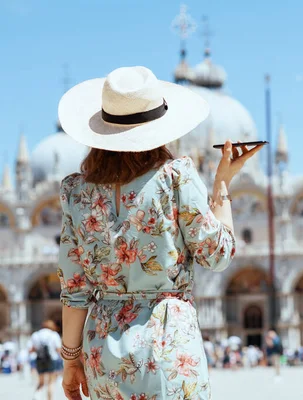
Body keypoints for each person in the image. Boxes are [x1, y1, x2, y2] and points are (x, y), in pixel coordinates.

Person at [57, 66, 262, 400]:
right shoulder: (176, 176)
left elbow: (74, 289)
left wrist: (70, 359)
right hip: (167, 343)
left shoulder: (74, 192)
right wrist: (222, 185)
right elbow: (218, 254)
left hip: (102, 350)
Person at [30, 320, 62, 400]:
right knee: (51, 382)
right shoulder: (54, 335)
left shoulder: (36, 335)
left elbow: (32, 349)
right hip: (51, 359)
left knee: (41, 382)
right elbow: (58, 349)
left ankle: (37, 395)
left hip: (39, 359)